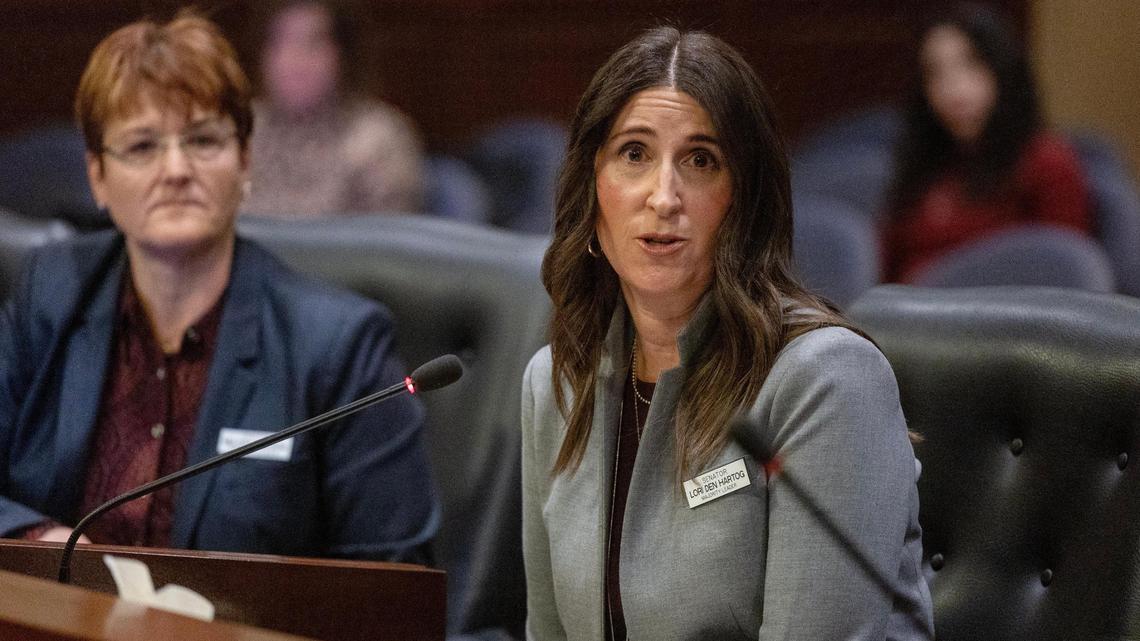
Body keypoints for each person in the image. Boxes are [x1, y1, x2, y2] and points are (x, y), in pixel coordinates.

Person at [521, 26, 934, 641]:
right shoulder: (558, 382)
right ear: (591, 189)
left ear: (744, 200)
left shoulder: (823, 382)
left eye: (701, 160)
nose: (664, 197)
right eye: (634, 153)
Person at [0, 12, 438, 563]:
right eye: (142, 147)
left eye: (204, 141)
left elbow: (395, 584)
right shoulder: (52, 294)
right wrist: (37, 539)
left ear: (244, 160)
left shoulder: (336, 344)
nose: (177, 169)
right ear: (97, 178)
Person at [882, 5, 1092, 283]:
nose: (953, 87)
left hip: (1001, 321)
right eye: (935, 72)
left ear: (1001, 68)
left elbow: (1066, 273)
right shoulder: (923, 162)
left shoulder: (1046, 161)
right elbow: (885, 274)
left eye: (970, 64)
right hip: (904, 320)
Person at [242, 0, 426, 217]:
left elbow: (384, 244)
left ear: (345, 56)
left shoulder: (378, 140)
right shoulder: (242, 129)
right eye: (278, 43)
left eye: (312, 44)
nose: (292, 60)